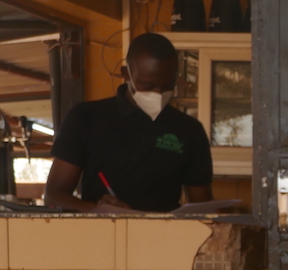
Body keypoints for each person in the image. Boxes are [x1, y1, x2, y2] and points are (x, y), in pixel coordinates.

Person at [44, 33, 213, 213]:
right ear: (126, 74)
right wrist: (96, 210)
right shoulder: (87, 117)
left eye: (167, 86)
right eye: (148, 86)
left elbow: (201, 206)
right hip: (102, 234)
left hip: (162, 237)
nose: (158, 93)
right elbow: (53, 196)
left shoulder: (189, 131)